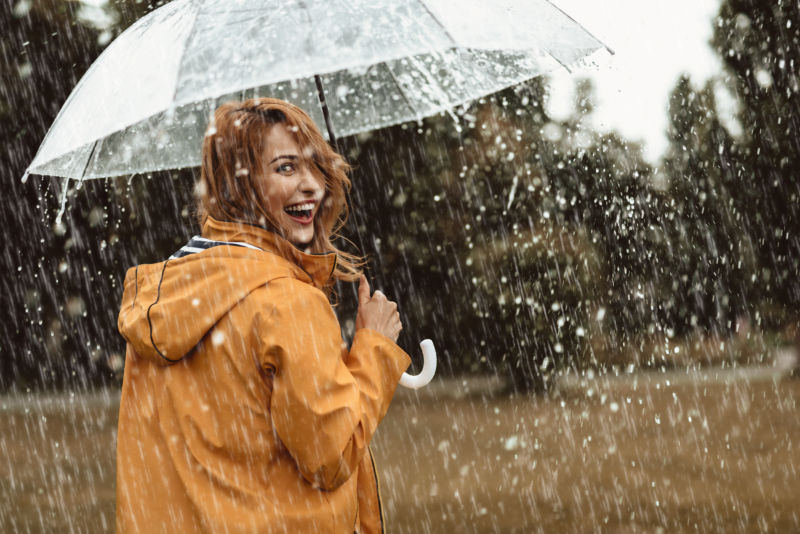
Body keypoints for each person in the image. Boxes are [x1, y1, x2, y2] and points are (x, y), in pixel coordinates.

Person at [116, 97, 411, 533]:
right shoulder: (286, 302)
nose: (312, 185)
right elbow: (330, 456)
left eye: (316, 167)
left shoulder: (171, 292)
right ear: (239, 185)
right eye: (286, 168)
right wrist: (375, 350)